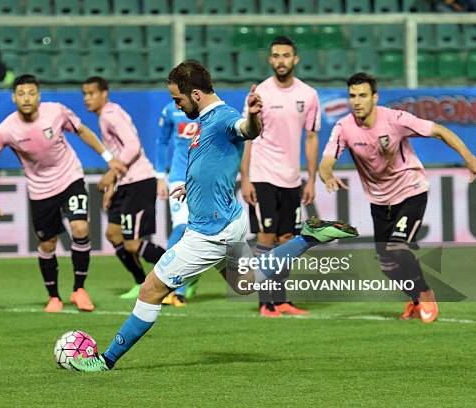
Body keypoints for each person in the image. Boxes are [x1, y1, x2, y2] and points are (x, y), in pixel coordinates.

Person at [69, 61, 359, 372]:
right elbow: (211, 163)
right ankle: (307, 237)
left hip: (209, 233)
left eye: (178, 99)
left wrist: (252, 116)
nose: (176, 105)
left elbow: (247, 131)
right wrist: (190, 189)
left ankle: (105, 360)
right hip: (229, 222)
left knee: (150, 290)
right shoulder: (206, 120)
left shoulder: (224, 117)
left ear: (195, 94)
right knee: (246, 282)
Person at [319, 72, 476, 324]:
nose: (356, 101)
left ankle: (425, 294)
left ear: (375, 97)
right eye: (352, 96)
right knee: (387, 265)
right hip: (379, 202)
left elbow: (440, 131)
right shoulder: (344, 127)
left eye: (362, 95)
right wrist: (326, 175)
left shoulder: (395, 119)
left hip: (410, 192)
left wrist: (470, 159)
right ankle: (415, 299)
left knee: (397, 247)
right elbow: (326, 162)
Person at [0, 74, 126, 313]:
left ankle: (79, 289)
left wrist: (109, 158)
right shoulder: (6, 130)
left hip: (70, 177)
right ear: (14, 98)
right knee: (47, 243)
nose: (26, 98)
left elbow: (82, 130)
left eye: (31, 93)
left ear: (39, 96)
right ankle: (53, 296)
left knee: (81, 228)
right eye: (21, 94)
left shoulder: (56, 112)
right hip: (40, 190)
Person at [240, 36, 321, 318]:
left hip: (291, 178)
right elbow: (247, 138)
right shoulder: (260, 93)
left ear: (295, 59)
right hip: (263, 175)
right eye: (276, 55)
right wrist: (246, 178)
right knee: (267, 237)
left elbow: (311, 137)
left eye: (286, 55)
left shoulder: (308, 95)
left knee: (287, 239)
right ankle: (265, 303)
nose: (281, 60)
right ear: (270, 60)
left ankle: (281, 299)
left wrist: (310, 179)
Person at [82, 76, 167, 299]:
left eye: (91, 93)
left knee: (133, 244)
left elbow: (133, 145)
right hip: (126, 182)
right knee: (113, 233)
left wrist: (111, 174)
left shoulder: (111, 115)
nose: (87, 98)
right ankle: (140, 282)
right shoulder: (105, 117)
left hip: (139, 181)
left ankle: (176, 270)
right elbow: (120, 153)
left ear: (104, 93)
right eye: (84, 94)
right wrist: (114, 184)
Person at [156, 100, 200, 307]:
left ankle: (184, 281)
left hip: (204, 179)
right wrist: (159, 177)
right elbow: (161, 141)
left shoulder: (210, 108)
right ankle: (171, 287)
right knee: (181, 227)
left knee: (199, 234)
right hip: (178, 178)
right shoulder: (171, 110)